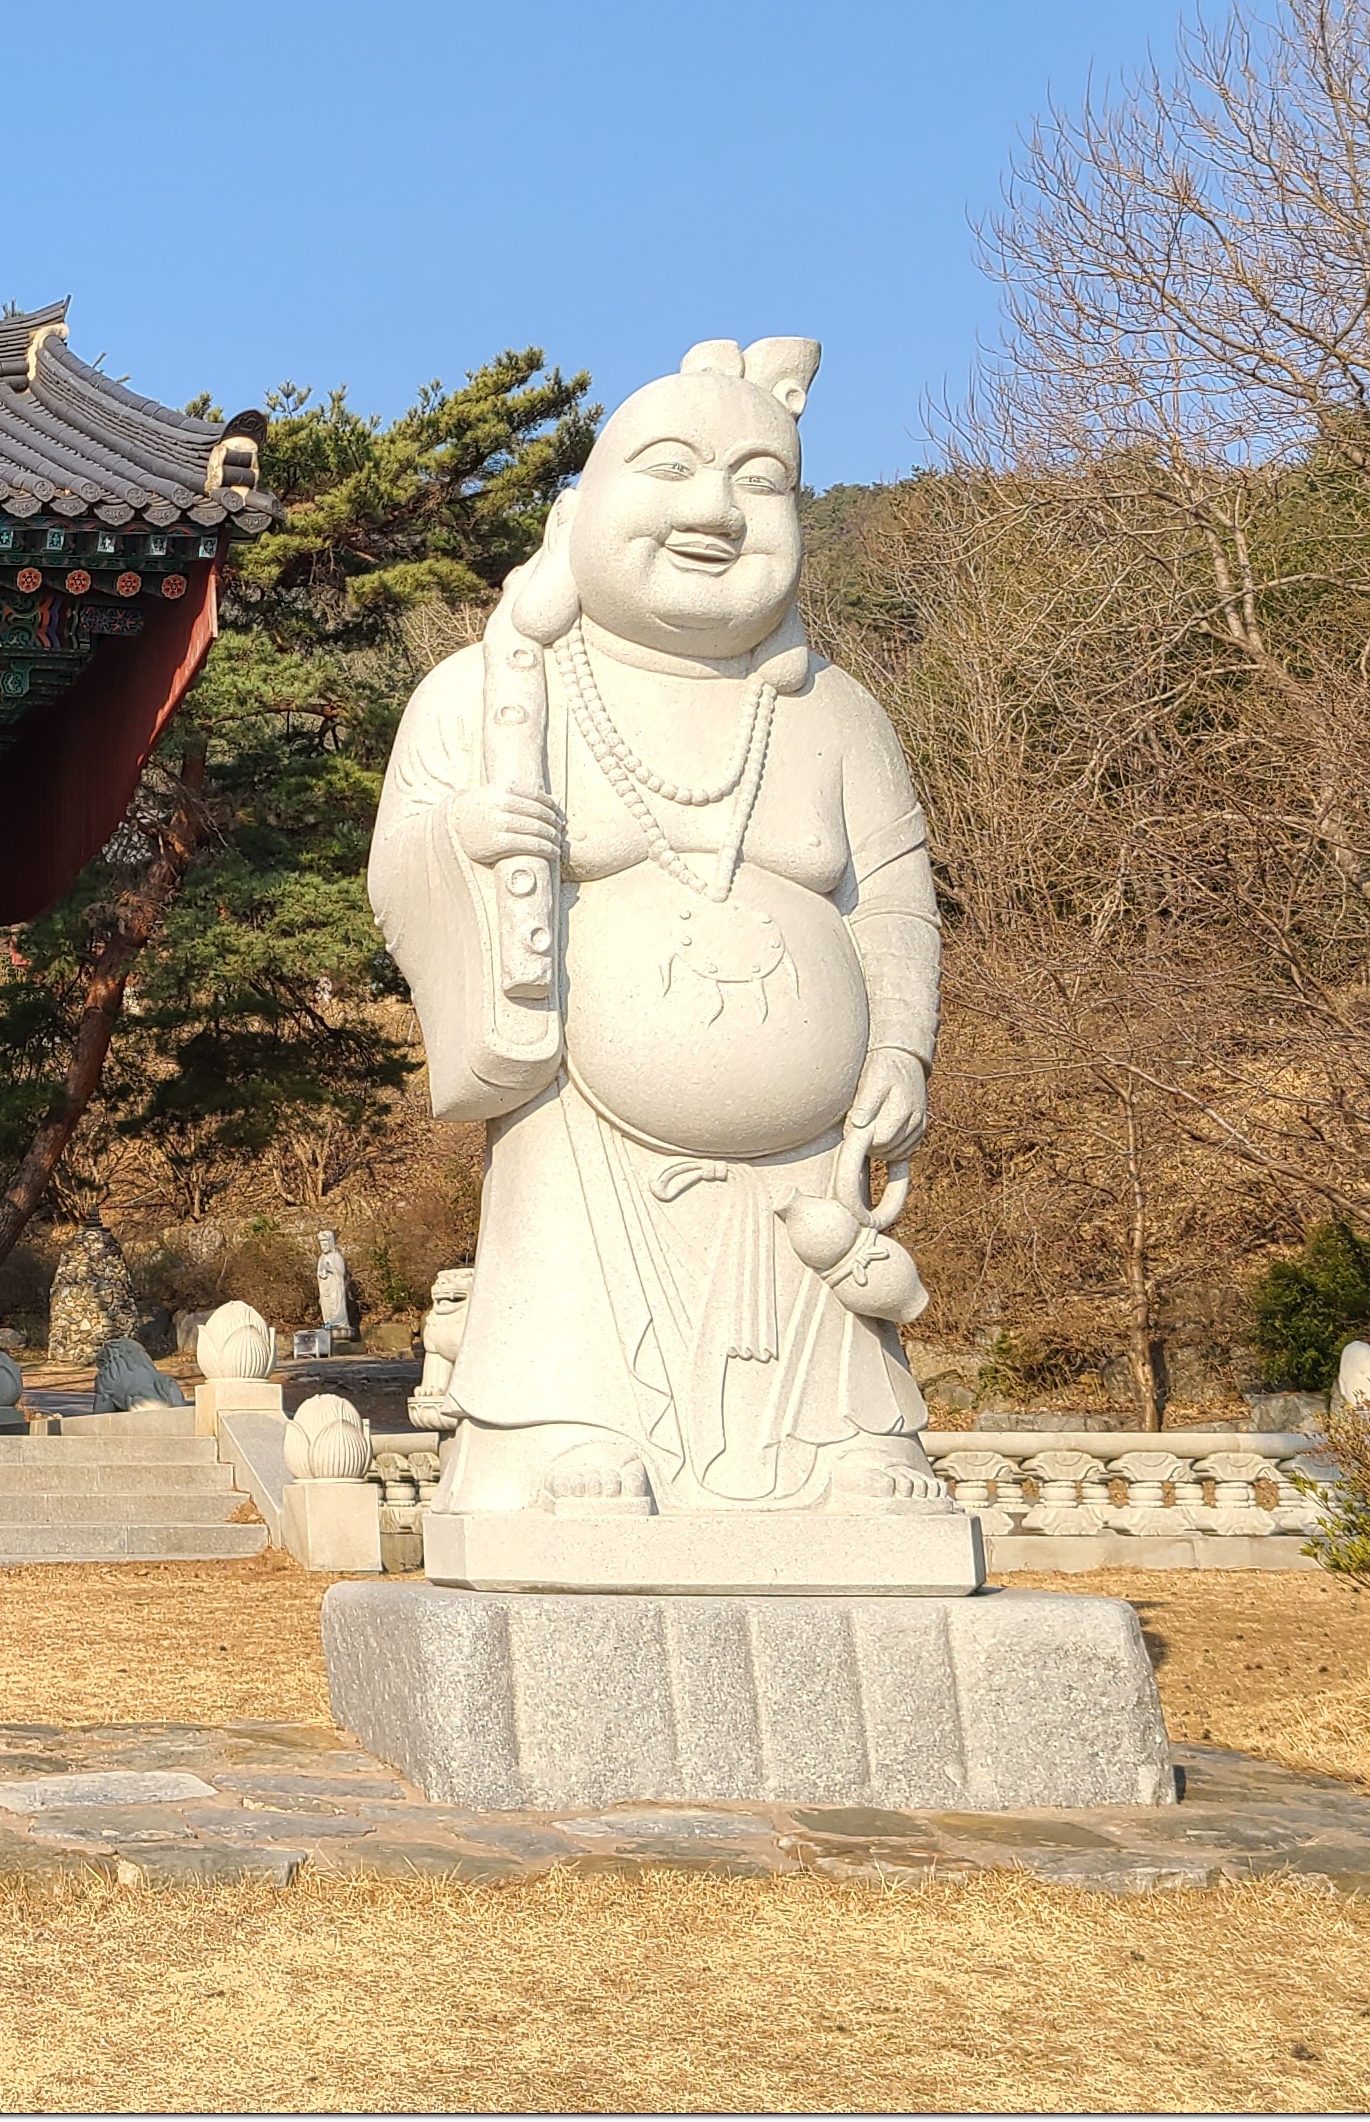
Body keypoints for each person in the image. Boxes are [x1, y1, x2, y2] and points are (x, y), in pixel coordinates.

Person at [369, 338, 945, 1520]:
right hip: (585, 1126)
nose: (714, 512)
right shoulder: (492, 692)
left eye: (758, 481)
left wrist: (900, 1046)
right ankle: (564, 1423)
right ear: (580, 507)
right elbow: (397, 872)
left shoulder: (837, 711)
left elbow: (892, 897)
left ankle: (852, 1437)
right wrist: (467, 837)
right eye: (672, 468)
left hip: (808, 1151)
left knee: (832, 1337)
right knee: (562, 1245)